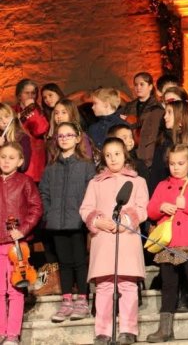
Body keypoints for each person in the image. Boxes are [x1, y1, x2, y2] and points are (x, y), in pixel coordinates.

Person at [79, 137, 149, 345]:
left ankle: (128, 330)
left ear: (125, 155)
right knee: (104, 287)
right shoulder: (95, 183)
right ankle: (103, 331)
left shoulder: (137, 181)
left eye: (117, 154)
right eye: (108, 155)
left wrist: (125, 221)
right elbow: (86, 209)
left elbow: (142, 208)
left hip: (127, 239)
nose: (113, 158)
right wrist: (97, 221)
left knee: (128, 285)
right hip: (103, 240)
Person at [146, 144, 188, 342]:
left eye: (180, 163)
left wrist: (186, 205)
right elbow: (150, 210)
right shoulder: (161, 185)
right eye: (172, 163)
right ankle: (165, 329)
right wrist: (161, 207)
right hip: (169, 244)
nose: (175, 167)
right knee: (168, 286)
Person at [39, 122, 96, 322]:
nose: (64, 139)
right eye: (60, 136)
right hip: (56, 222)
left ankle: (82, 299)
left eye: (68, 135)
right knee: (64, 263)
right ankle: (66, 300)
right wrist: (48, 214)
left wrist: (85, 215)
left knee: (80, 262)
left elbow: (92, 193)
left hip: (78, 222)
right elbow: (44, 192)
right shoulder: (51, 167)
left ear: (78, 138)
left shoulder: (86, 166)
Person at [0, 141, 43, 345]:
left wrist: (23, 230)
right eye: (3, 157)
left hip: (16, 244)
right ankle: (1, 330)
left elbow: (36, 208)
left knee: (15, 289)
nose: (6, 161)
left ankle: (12, 335)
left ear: (20, 161)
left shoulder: (25, 181)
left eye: (11, 158)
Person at [149, 100, 188, 193]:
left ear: (181, 117)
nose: (165, 117)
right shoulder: (162, 140)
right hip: (166, 193)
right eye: (165, 113)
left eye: (169, 112)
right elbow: (155, 174)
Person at [121, 72, 165, 168]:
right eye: (136, 85)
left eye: (142, 84)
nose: (138, 87)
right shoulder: (129, 106)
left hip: (150, 150)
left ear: (150, 86)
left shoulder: (157, 107)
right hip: (131, 149)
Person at [14, 79, 49, 182]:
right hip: (16, 160)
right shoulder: (12, 111)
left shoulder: (40, 112)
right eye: (27, 93)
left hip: (35, 165)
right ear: (19, 95)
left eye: (33, 93)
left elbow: (40, 130)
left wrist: (32, 109)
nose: (30, 96)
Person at [46, 99, 96, 163]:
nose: (59, 116)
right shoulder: (53, 139)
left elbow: (88, 160)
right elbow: (50, 163)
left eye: (64, 112)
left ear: (72, 114)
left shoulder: (81, 136)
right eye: (56, 113)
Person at [0, 104, 31, 173]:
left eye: (6, 116)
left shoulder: (22, 137)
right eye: (0, 119)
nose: (4, 122)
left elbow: (24, 165)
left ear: (12, 117)